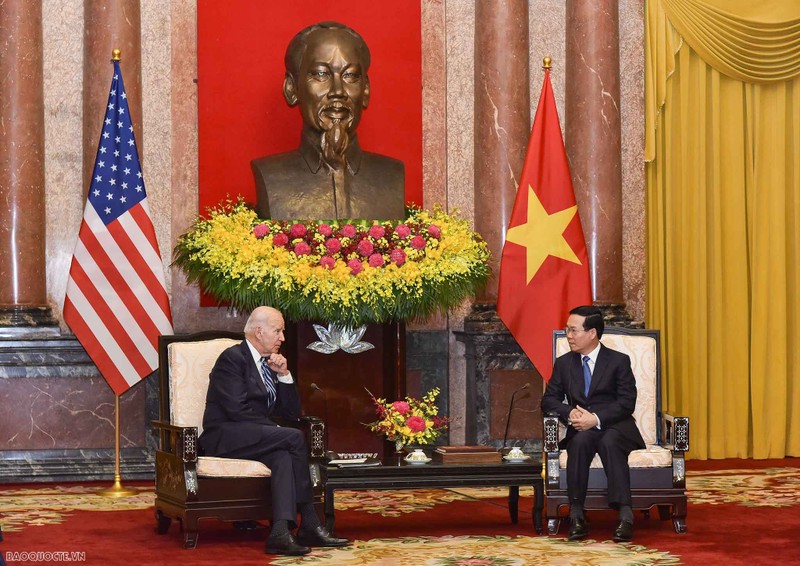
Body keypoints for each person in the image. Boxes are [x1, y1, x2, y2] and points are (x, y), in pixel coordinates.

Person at [198, 306, 349, 556]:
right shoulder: (232, 359)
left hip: (256, 437)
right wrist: (277, 429)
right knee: (292, 437)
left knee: (282, 456)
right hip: (224, 436)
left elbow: (292, 414)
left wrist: (285, 376)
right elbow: (236, 410)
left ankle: (280, 532)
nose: (282, 338)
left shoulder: (270, 363)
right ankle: (309, 522)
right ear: (259, 331)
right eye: (278, 331)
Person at [252, 21, 405, 220]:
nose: (338, 92)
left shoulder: (391, 175)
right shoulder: (270, 175)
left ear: (365, 90)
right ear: (291, 89)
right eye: (321, 74)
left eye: (350, 75)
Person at [540, 305, 645, 543]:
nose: (568, 336)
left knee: (609, 441)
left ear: (592, 333)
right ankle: (577, 515)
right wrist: (570, 413)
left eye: (574, 330)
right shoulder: (564, 363)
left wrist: (595, 418)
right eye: (567, 330)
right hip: (580, 428)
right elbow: (548, 401)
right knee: (580, 442)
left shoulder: (618, 361)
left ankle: (625, 514)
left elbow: (627, 402)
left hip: (615, 426)